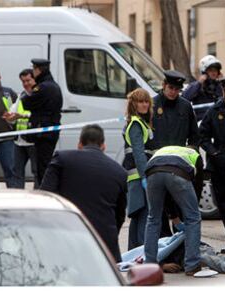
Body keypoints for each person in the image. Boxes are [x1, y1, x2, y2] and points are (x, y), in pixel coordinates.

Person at [40, 124, 127, 263]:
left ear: (79, 144)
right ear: (103, 145)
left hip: (68, 239)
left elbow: (45, 196)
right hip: (105, 245)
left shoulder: (62, 159)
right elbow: (120, 215)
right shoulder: (119, 172)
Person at [152, 70, 200, 237]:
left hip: (179, 165)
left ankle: (180, 253)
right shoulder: (153, 105)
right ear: (164, 85)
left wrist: (192, 158)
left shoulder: (185, 106)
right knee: (159, 214)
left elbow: (195, 136)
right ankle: (164, 256)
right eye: (171, 88)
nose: (173, 92)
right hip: (158, 165)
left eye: (177, 89)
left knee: (180, 209)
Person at [144, 146, 203, 276]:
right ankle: (192, 265)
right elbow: (196, 187)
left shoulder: (164, 150)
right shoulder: (195, 155)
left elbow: (167, 194)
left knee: (153, 218)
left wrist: (173, 216)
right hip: (177, 173)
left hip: (152, 173)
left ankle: (149, 265)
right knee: (193, 218)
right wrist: (187, 212)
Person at [199, 77, 225, 252]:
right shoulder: (215, 110)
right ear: (224, 93)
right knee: (224, 205)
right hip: (219, 164)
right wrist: (214, 153)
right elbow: (202, 136)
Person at [122, 88, 156, 250]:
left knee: (138, 217)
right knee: (143, 217)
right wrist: (145, 178)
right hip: (138, 178)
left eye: (146, 101)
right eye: (140, 101)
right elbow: (139, 154)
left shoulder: (141, 123)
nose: (144, 104)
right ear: (133, 104)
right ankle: (141, 254)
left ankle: (134, 255)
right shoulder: (136, 124)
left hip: (138, 177)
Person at [21, 58, 63, 187]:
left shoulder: (43, 87)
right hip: (48, 133)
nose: (33, 72)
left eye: (34, 69)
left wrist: (25, 94)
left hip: (44, 134)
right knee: (43, 166)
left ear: (39, 70)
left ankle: (46, 191)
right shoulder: (53, 85)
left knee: (42, 168)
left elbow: (26, 102)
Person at [4, 69, 38, 189]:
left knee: (37, 172)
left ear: (34, 79)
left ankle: (38, 200)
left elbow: (40, 115)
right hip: (19, 141)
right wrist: (9, 117)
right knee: (16, 173)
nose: (25, 83)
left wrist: (22, 115)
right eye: (23, 81)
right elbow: (13, 115)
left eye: (28, 80)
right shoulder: (22, 95)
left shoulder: (39, 94)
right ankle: (18, 200)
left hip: (34, 141)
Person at [182, 55, 223, 121]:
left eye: (215, 70)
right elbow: (185, 97)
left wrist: (222, 84)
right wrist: (199, 83)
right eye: (210, 70)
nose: (213, 73)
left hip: (218, 121)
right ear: (204, 72)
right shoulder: (197, 86)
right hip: (202, 123)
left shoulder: (219, 86)